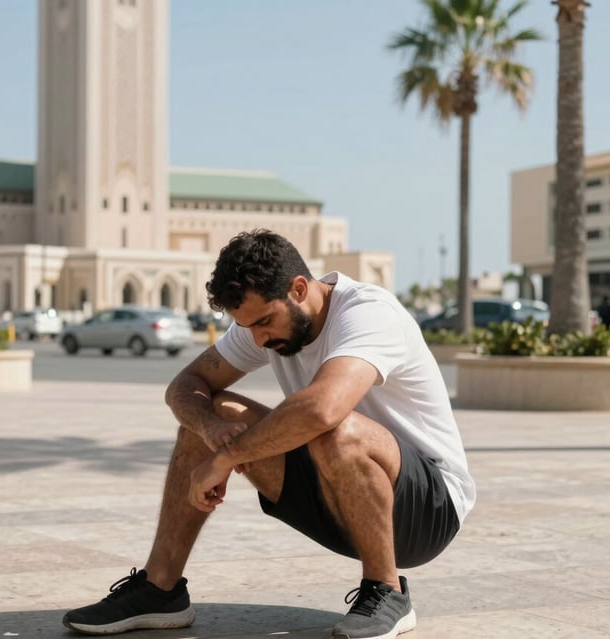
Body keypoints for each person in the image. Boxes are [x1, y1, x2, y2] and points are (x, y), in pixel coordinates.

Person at [62, 229, 476, 638]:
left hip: (427, 509)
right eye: (250, 327)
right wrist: (210, 429)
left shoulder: (368, 312)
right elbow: (184, 386)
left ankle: (386, 591)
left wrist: (223, 458)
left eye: (264, 322)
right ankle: (159, 589)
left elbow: (322, 408)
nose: (259, 338)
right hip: (336, 498)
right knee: (212, 412)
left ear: (298, 289)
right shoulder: (259, 325)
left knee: (336, 429)